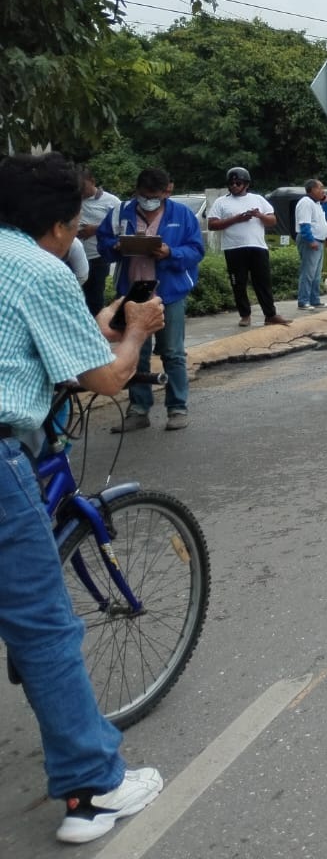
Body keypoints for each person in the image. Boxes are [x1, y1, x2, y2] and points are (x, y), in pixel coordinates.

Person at [0, 152, 166, 844]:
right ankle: (93, 790)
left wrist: (95, 326)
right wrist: (137, 330)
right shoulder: (40, 268)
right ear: (62, 226)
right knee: (43, 628)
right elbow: (107, 380)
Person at [97, 167, 204, 432]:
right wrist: (116, 247)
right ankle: (138, 409)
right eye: (145, 196)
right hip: (132, 295)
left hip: (169, 294)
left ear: (167, 191)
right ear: (137, 191)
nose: (150, 201)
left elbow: (196, 251)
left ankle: (177, 408)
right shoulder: (120, 213)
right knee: (135, 353)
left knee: (173, 352)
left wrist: (171, 253)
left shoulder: (182, 215)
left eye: (155, 196)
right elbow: (103, 243)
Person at [207, 167, 289, 328]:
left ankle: (270, 315)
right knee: (238, 283)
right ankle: (245, 315)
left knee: (263, 281)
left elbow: (272, 221)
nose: (234, 186)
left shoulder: (258, 199)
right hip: (233, 247)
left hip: (257, 246)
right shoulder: (221, 202)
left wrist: (259, 215)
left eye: (238, 183)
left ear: (246, 184)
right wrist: (236, 219)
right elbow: (212, 224)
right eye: (231, 183)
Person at [77, 171, 121, 315]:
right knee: (77, 299)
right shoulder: (73, 198)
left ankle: (98, 326)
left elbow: (120, 227)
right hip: (72, 256)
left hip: (97, 257)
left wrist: (95, 229)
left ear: (92, 181)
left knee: (95, 299)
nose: (81, 190)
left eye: (83, 186)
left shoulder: (112, 201)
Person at [294, 178, 327, 310]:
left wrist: (325, 203)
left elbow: (326, 218)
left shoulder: (317, 204)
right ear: (312, 189)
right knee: (308, 272)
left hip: (319, 240)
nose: (323, 191)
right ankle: (303, 301)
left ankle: (314, 299)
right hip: (310, 240)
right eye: (320, 188)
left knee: (316, 274)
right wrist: (310, 240)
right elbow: (304, 224)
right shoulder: (306, 203)